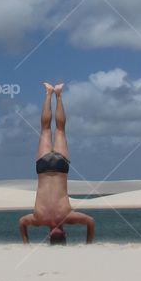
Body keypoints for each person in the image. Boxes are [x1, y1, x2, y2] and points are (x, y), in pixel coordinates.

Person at [19, 83, 95, 245]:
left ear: (65, 235)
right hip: (45, 168)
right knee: (47, 129)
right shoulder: (39, 219)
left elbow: (91, 222)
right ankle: (50, 93)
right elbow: (22, 223)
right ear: (49, 236)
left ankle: (56, 94)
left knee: (59, 129)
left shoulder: (68, 217)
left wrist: (89, 243)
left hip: (59, 167)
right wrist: (26, 241)